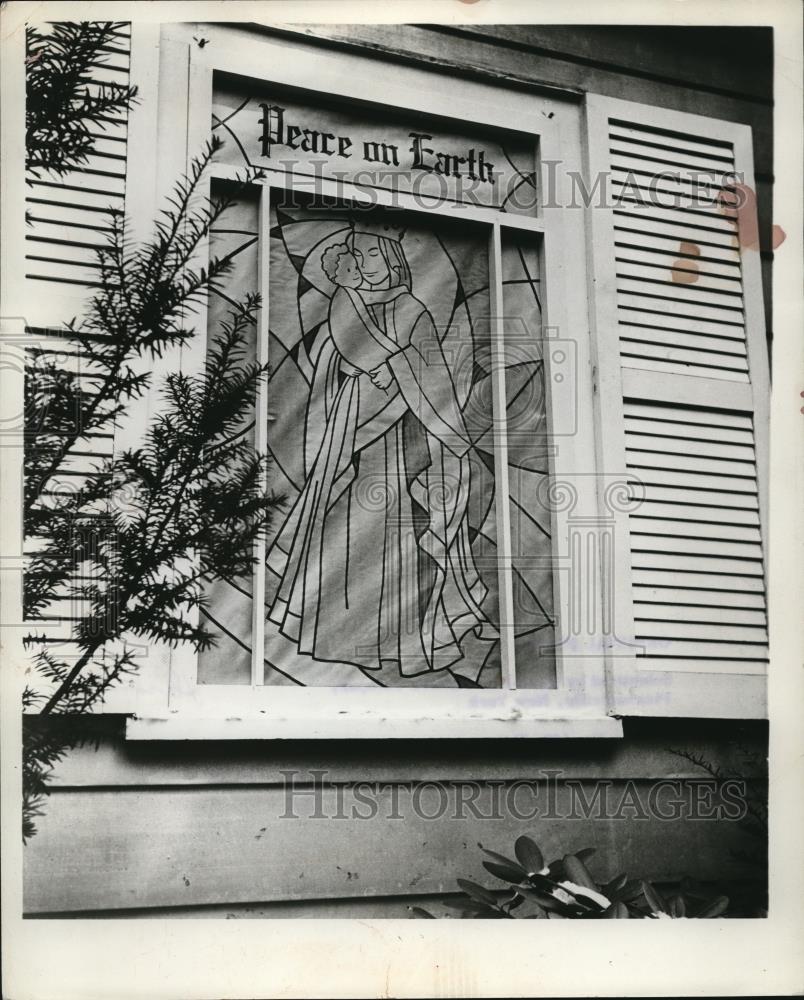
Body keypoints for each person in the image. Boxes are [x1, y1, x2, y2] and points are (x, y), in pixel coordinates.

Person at [264, 221, 496, 685]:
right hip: (349, 434)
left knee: (395, 537)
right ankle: (334, 633)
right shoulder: (344, 303)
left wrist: (397, 370)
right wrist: (367, 370)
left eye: (372, 253)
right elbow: (334, 362)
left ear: (392, 260)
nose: (363, 261)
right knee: (343, 532)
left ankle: (397, 639)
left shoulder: (411, 310)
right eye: (357, 252)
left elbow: (433, 379)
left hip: (401, 441)